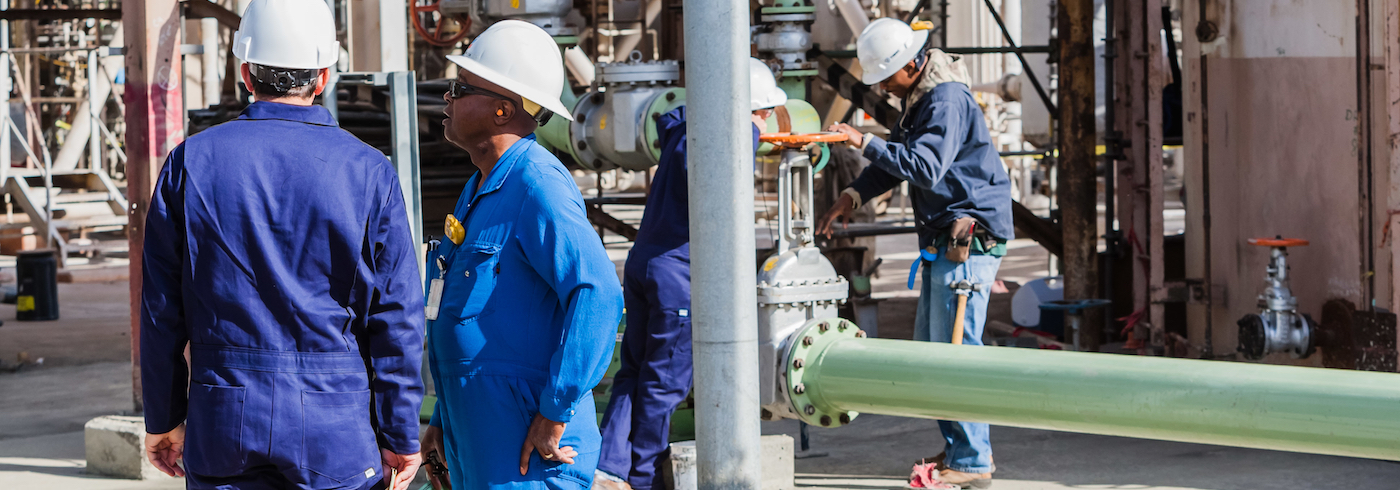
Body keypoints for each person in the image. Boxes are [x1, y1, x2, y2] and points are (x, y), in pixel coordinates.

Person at [139, 0, 425, 489]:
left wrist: (163, 417)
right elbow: (396, 316)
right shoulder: (369, 171)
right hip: (335, 426)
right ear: (324, 76)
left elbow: (161, 309)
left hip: (224, 418)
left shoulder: (190, 163)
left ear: (246, 73)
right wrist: (399, 431)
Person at [418, 20, 624, 490]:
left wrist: (555, 411)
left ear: (502, 110)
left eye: (460, 88)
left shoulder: (537, 186)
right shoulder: (482, 187)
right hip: (480, 447)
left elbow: (599, 294)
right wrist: (444, 421)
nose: (446, 98)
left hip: (528, 460)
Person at [816, 17, 1013, 490]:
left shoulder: (945, 101)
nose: (881, 86)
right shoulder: (922, 99)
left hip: (969, 241)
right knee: (934, 351)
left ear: (909, 65)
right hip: (947, 240)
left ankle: (972, 461)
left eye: (885, 77)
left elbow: (923, 167)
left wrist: (863, 141)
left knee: (954, 353)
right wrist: (852, 196)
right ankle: (961, 448)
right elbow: (899, 159)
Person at [592, 58, 786, 490]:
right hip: (676, 272)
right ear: (755, 109)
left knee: (634, 370)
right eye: (767, 112)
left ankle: (611, 467)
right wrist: (751, 132)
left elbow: (673, 131)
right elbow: (712, 172)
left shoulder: (682, 126)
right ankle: (642, 478)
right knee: (663, 384)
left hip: (644, 261)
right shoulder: (728, 134)